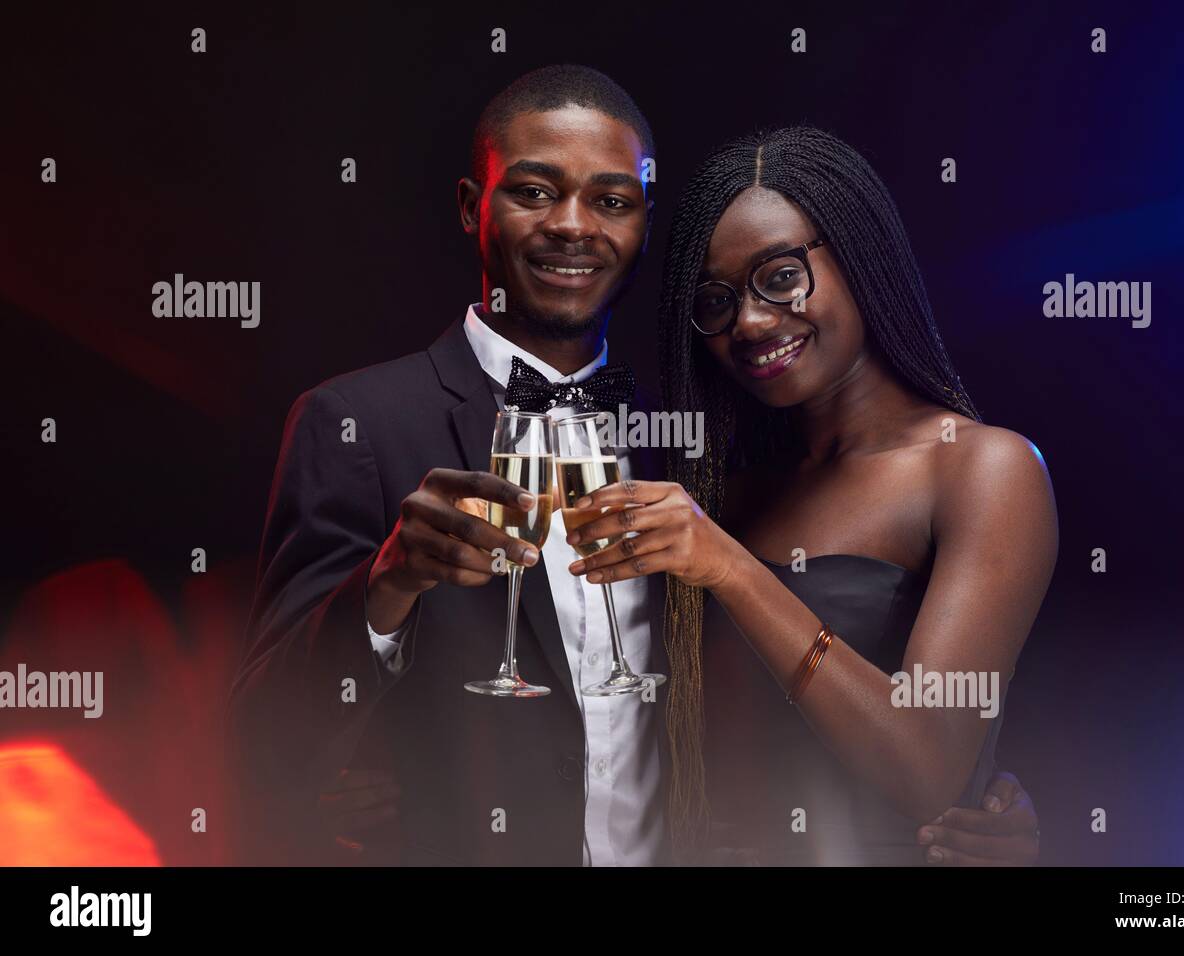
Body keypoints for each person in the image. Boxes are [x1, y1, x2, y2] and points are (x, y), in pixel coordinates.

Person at [227, 67, 1042, 866]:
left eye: (611, 201)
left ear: (643, 227)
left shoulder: (693, 445)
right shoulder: (357, 423)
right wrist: (389, 583)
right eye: (534, 191)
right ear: (475, 208)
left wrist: (987, 796)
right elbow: (269, 739)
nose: (573, 226)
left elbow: (826, 695)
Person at [562, 126, 1057, 864]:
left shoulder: (982, 470)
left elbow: (923, 766)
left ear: (858, 254)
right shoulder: (716, 488)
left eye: (782, 276)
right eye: (717, 300)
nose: (752, 322)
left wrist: (731, 568)